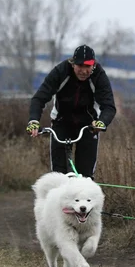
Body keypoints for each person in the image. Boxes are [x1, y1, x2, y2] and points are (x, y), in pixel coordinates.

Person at [26, 44, 116, 178]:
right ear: (73, 64)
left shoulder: (99, 75)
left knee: (85, 177)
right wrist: (34, 121)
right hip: (61, 122)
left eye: (88, 67)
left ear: (93, 65)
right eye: (80, 66)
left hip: (88, 125)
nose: (84, 71)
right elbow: (39, 98)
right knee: (58, 176)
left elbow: (109, 105)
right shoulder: (61, 71)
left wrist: (102, 122)